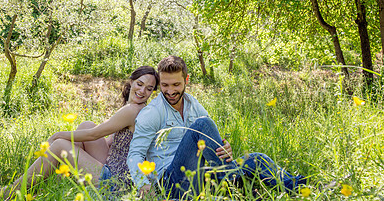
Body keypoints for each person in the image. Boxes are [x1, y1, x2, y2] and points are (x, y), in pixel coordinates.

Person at [127, 56, 306, 199]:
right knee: (202, 124)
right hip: (174, 183)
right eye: (165, 85)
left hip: (203, 177)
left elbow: (212, 140)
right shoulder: (152, 113)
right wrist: (143, 183)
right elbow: (135, 154)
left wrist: (223, 146)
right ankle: (233, 183)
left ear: (186, 80)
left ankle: (302, 188)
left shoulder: (193, 104)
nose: (170, 91)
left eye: (176, 84)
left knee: (257, 159)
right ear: (159, 83)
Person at [0, 66, 159, 199]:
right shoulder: (133, 109)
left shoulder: (133, 111)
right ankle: (46, 185)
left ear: (152, 92)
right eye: (140, 84)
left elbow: (94, 135)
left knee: (60, 145)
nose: (143, 91)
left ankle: (10, 192)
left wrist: (59, 135)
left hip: (115, 182)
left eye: (149, 88)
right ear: (131, 82)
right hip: (113, 167)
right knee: (85, 125)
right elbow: (110, 141)